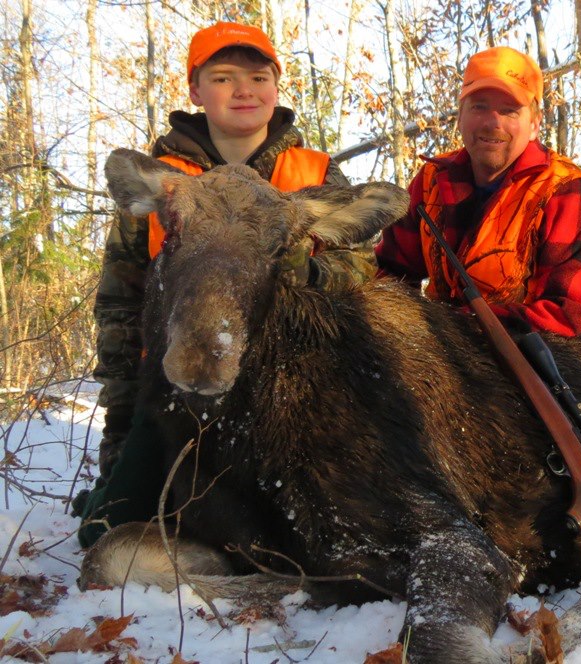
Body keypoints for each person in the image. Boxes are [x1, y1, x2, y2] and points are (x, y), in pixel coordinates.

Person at [74, 22, 372, 530]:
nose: (243, 90)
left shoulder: (316, 175)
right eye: (223, 77)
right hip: (177, 388)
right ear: (195, 89)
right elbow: (120, 309)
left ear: (276, 86)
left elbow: (359, 269)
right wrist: (122, 434)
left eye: (258, 76)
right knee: (109, 526)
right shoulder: (160, 182)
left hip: (294, 391)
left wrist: (301, 267)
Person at [375, 46, 581, 346]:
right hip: (450, 361)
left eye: (509, 110)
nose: (493, 122)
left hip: (560, 375)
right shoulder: (431, 182)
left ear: (535, 124)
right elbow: (390, 273)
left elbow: (571, 319)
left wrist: (449, 328)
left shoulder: (568, 193)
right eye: (479, 107)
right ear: (460, 115)